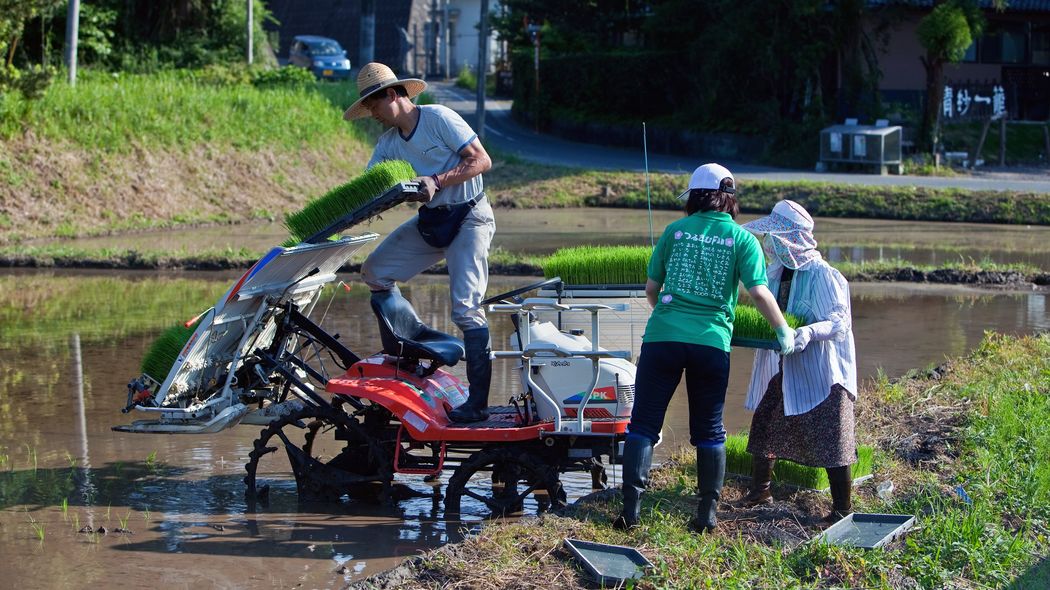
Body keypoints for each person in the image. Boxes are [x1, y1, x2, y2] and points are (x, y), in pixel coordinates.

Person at [613, 163, 797, 533]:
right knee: (710, 429)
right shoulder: (743, 240)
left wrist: (669, 316)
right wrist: (782, 330)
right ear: (730, 198)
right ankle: (706, 516)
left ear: (696, 196)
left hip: (663, 338)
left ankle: (630, 512)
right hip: (711, 343)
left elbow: (651, 289)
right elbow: (759, 292)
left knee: (644, 425)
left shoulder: (675, 232)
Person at [345, 62, 495, 423]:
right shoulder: (388, 145)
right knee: (375, 272)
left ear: (393, 95)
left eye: (374, 105)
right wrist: (342, 219)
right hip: (432, 223)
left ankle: (477, 405)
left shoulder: (439, 118)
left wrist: (437, 181)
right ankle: (407, 345)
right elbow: (370, 188)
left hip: (469, 217)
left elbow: (481, 159)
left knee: (466, 307)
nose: (373, 114)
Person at [738, 200, 858, 523]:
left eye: (775, 238)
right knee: (765, 421)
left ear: (791, 239)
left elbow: (839, 322)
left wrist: (806, 333)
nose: (769, 243)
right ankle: (759, 490)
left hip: (824, 371)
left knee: (834, 437)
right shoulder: (776, 275)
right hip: (786, 366)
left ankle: (842, 509)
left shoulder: (825, 276)